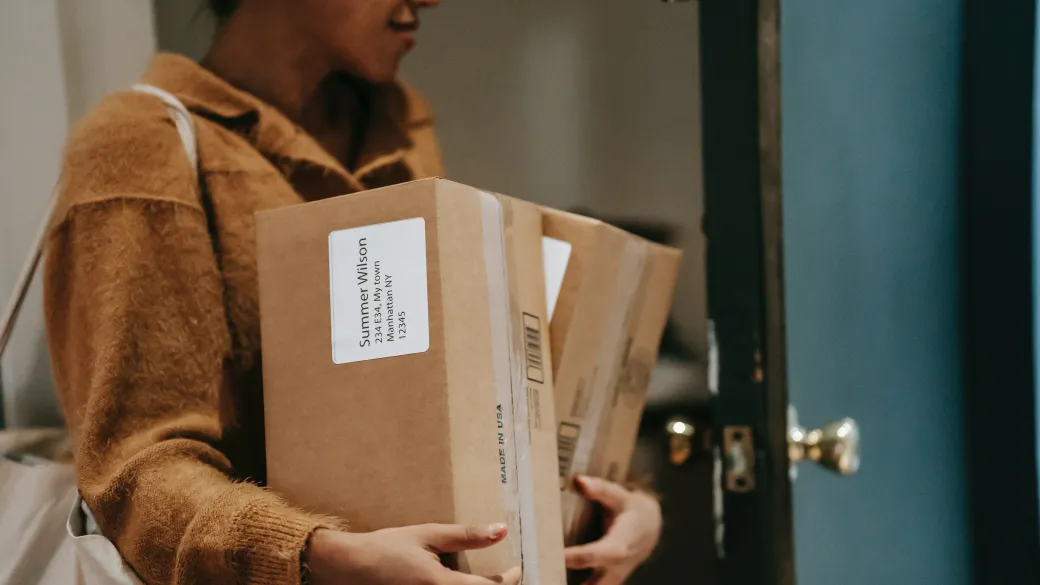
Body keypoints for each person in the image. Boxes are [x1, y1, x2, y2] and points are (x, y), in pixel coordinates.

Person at [44, 1, 662, 584]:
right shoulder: (138, 150)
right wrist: (316, 555)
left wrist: (612, 505)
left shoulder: (397, 126)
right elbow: (134, 473)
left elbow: (459, 392)